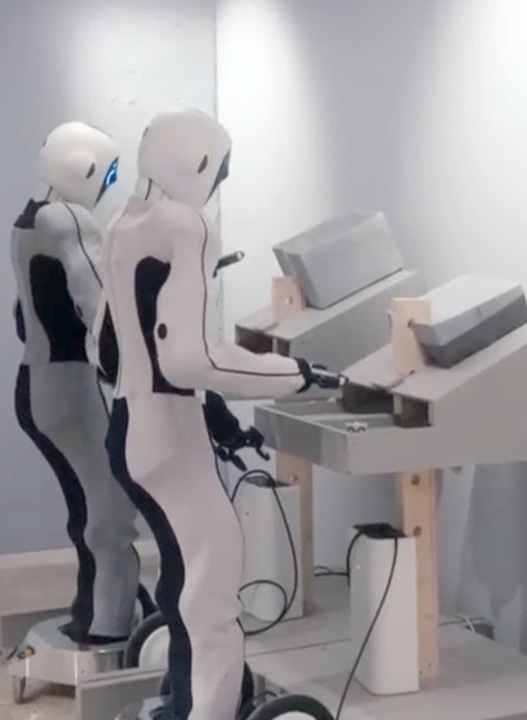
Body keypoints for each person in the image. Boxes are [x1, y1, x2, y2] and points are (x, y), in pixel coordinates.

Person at [102, 107, 341, 720]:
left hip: (131, 426)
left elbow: (109, 347)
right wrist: (295, 374)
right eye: (220, 171)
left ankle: (187, 699)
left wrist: (217, 420)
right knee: (211, 589)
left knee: (185, 578)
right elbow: (191, 359)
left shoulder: (125, 222)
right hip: (169, 436)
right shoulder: (187, 227)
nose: (219, 185)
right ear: (198, 163)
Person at [11, 121, 148, 644]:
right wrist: (139, 375)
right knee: (111, 513)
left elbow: (23, 315)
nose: (109, 185)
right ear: (85, 168)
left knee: (84, 506)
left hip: (33, 382)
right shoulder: (69, 219)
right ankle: (111, 626)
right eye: (108, 175)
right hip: (69, 388)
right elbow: (101, 314)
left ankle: (90, 606)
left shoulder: (27, 220)